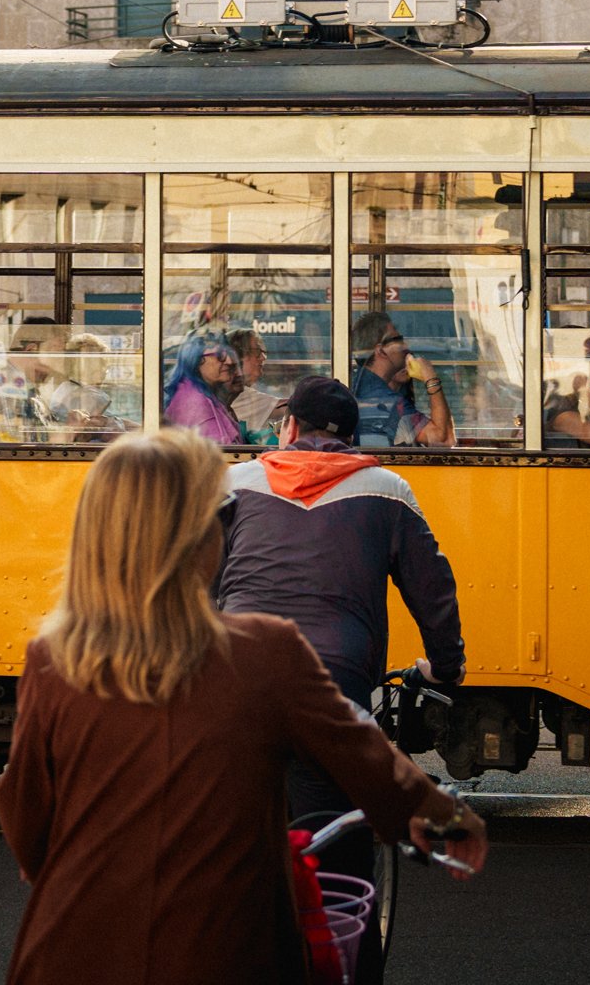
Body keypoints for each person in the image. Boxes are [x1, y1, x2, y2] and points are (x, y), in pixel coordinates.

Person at [0, 429, 485, 985]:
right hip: (222, 953)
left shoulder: (52, 660)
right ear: (196, 535)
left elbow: (26, 813)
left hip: (68, 953)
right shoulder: (265, 651)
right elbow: (369, 762)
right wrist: (446, 815)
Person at [215, 376, 469, 983]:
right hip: (331, 691)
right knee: (337, 850)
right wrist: (445, 669)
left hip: (232, 684)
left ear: (291, 428)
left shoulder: (231, 485)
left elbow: (195, 581)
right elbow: (433, 593)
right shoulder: (388, 490)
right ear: (352, 438)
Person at [349, 311, 455, 448]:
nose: (406, 347)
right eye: (398, 340)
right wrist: (431, 378)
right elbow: (443, 439)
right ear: (381, 351)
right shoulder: (386, 402)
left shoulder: (359, 387)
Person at [162, 335, 244, 444]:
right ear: (197, 360)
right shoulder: (196, 404)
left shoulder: (189, 390)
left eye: (227, 354)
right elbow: (217, 454)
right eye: (219, 355)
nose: (229, 362)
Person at [225, 328, 283, 440]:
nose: (262, 358)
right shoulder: (240, 396)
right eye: (256, 352)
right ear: (237, 357)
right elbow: (290, 408)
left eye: (263, 353)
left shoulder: (240, 393)